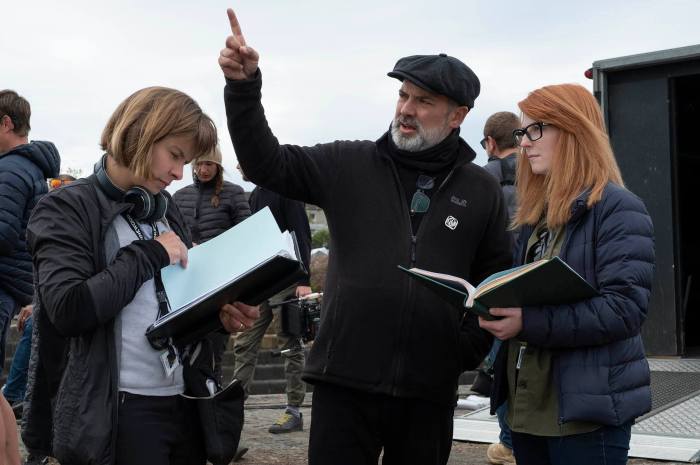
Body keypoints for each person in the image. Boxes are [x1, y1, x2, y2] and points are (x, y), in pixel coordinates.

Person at [219, 9, 512, 465]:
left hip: (428, 392)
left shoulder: (481, 189)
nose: (406, 109)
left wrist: (461, 350)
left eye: (423, 101)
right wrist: (243, 88)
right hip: (344, 383)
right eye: (403, 95)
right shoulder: (348, 164)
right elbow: (265, 163)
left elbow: (495, 279)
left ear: (458, 115)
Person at [22, 86, 260, 465]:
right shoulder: (65, 207)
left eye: (186, 161)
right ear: (140, 133)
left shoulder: (165, 209)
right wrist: (150, 253)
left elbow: (171, 308)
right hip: (117, 411)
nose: (179, 173)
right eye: (175, 155)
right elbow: (69, 309)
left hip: (181, 402)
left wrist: (218, 319)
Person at [480, 84, 654, 465]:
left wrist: (527, 322)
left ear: (575, 131)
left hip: (584, 419)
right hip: (527, 411)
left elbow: (624, 310)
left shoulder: (618, 209)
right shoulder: (535, 215)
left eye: (536, 129)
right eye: (522, 132)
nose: (524, 143)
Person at [233, 163, 312, 434]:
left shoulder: (286, 190)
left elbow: (301, 232)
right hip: (262, 282)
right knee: (244, 342)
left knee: (290, 343)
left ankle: (294, 410)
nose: (241, 170)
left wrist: (304, 280)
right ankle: (234, 406)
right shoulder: (256, 195)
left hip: (287, 279)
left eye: (244, 165)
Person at [173, 145, 251, 387]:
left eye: (208, 164)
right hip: (188, 282)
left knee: (213, 350)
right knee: (184, 352)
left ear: (218, 166)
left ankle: (212, 401)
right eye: (199, 164)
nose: (203, 169)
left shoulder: (234, 193)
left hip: (220, 283)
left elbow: (246, 235)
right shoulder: (179, 196)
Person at [3, 174, 76, 424]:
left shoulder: (82, 227)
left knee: (37, 323)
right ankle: (15, 395)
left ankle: (14, 395)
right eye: (54, 187)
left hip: (73, 304)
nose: (57, 193)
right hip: (45, 300)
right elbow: (40, 274)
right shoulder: (44, 224)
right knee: (34, 323)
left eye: (64, 189)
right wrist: (34, 302)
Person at [0, 90, 60, 390]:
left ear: (6, 123)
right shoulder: (31, 167)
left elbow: (3, 234)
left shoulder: (10, 169)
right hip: (15, 282)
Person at [477, 111, 521, 465]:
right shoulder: (542, 171)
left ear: (490, 142)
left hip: (497, 283)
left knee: (501, 363)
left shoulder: (481, 178)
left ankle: (508, 442)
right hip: (536, 278)